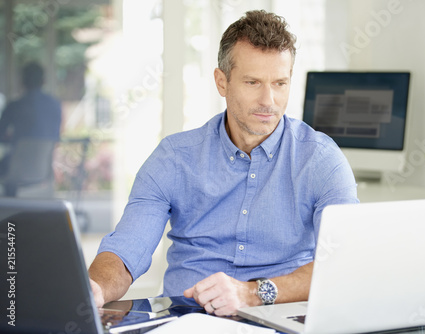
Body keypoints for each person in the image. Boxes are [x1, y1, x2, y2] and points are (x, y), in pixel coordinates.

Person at [89, 10, 358, 316]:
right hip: (187, 319)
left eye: (280, 83)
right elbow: (127, 249)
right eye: (253, 82)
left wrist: (252, 293)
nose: (268, 100)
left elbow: (343, 260)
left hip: (281, 318)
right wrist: (95, 287)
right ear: (222, 82)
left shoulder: (322, 159)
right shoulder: (174, 158)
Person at [0, 62, 62, 175]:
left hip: (15, 168)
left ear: (22, 81)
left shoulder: (14, 106)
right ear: (44, 81)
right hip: (44, 170)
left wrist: (12, 138)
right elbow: (56, 135)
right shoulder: (55, 105)